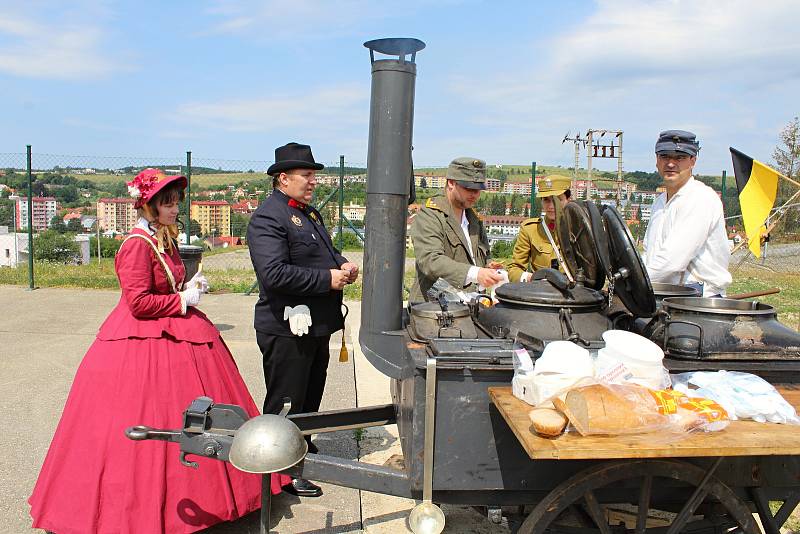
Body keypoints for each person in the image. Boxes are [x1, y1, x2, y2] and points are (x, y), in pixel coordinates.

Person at [28, 168, 288, 534]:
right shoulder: (136, 244)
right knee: (148, 416)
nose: (174, 207)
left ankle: (222, 490)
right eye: (166, 202)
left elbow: (167, 280)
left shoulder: (160, 239)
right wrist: (182, 300)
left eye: (175, 201)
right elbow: (138, 302)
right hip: (140, 341)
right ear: (148, 206)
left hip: (175, 330)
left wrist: (189, 285)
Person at [247, 142, 358, 498]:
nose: (313, 182)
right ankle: (281, 472)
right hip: (286, 328)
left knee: (310, 397)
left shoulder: (308, 213)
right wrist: (327, 279)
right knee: (286, 400)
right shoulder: (268, 217)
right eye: (306, 175)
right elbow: (275, 274)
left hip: (315, 325)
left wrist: (340, 263)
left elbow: (322, 252)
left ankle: (302, 449)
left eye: (313, 176)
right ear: (283, 178)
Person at [643, 130, 732, 297]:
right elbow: (650, 253)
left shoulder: (700, 198)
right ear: (657, 160)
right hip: (666, 293)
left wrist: (633, 284)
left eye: (679, 158)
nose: (670, 163)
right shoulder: (659, 202)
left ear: (693, 161)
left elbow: (672, 262)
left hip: (699, 298)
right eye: (664, 156)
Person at [409, 157, 504, 302]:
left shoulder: (474, 220)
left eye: (478, 189)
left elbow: (481, 257)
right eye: (468, 188)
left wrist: (489, 267)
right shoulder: (430, 216)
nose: (474, 194)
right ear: (451, 183)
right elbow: (430, 261)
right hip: (435, 310)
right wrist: (476, 273)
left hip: (471, 306)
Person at [508, 175, 572, 282]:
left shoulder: (578, 230)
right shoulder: (530, 229)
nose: (551, 206)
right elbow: (514, 269)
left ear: (568, 200)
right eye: (546, 200)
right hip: (540, 293)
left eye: (557, 200)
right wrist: (532, 278)